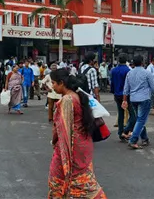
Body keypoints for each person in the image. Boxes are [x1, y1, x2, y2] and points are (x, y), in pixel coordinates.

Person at [48, 68, 106, 198]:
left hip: (73, 146)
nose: (52, 86)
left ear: (61, 83)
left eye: (53, 83)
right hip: (83, 143)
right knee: (83, 180)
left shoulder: (67, 100)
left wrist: (54, 141)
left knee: (57, 180)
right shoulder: (78, 95)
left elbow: (61, 128)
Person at [122, 55, 154, 149]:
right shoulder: (146, 73)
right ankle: (133, 140)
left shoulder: (129, 73)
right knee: (141, 120)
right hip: (144, 99)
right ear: (142, 62)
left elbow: (126, 89)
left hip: (133, 99)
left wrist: (125, 100)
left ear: (133, 63)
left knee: (139, 119)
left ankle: (144, 138)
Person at [110, 54, 134, 141]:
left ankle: (120, 132)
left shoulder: (114, 70)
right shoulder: (128, 70)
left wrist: (113, 92)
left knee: (120, 114)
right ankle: (126, 130)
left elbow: (112, 83)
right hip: (126, 95)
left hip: (117, 94)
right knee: (133, 114)